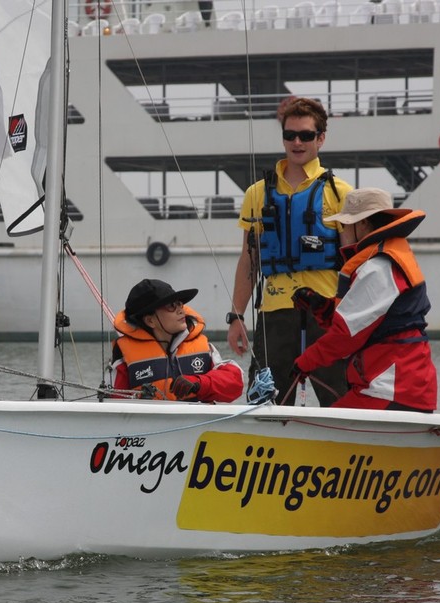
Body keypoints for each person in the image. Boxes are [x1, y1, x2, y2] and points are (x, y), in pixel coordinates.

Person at [226, 96, 353, 406]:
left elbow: (354, 263)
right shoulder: (257, 193)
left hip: (326, 315)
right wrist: (237, 316)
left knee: (340, 400)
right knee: (265, 403)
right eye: (290, 135)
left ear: (321, 138)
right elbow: (249, 260)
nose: (297, 142)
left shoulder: (340, 193)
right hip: (274, 314)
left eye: (306, 135)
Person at [291, 187, 437, 412]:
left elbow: (346, 335)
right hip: (400, 385)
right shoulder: (385, 259)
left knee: (327, 433)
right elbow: (365, 321)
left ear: (363, 225)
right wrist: (322, 307)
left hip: (391, 388)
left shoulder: (378, 267)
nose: (341, 231)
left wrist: (305, 362)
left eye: (345, 225)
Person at [111, 279, 244, 402]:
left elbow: (236, 382)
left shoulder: (203, 347)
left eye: (180, 304)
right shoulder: (123, 357)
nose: (181, 310)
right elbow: (113, 404)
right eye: (171, 306)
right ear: (150, 320)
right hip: (153, 425)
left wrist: (199, 383)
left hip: (199, 425)